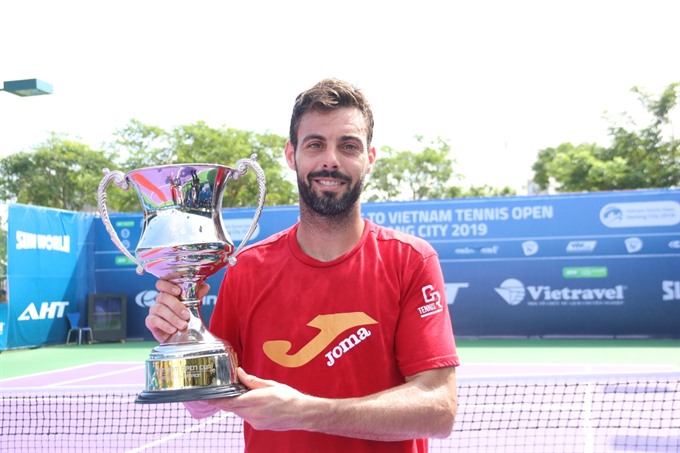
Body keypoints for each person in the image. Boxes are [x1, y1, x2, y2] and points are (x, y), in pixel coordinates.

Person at [146, 78, 460, 452]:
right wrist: (184, 342)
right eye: (315, 144)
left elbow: (439, 409)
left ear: (369, 159)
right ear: (291, 154)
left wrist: (307, 412)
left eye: (348, 146)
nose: (331, 160)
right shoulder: (247, 269)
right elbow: (202, 405)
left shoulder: (410, 261)